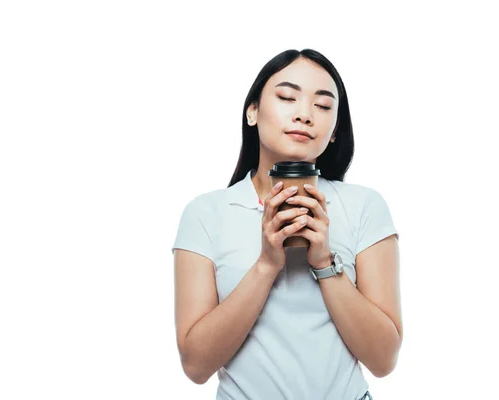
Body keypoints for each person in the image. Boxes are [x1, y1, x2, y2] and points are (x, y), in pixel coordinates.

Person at [171, 48, 402, 400]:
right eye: (286, 97)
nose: (304, 115)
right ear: (252, 112)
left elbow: (384, 360)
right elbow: (196, 366)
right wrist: (267, 263)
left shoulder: (364, 206)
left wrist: (324, 263)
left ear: (335, 130)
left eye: (323, 106)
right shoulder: (206, 214)